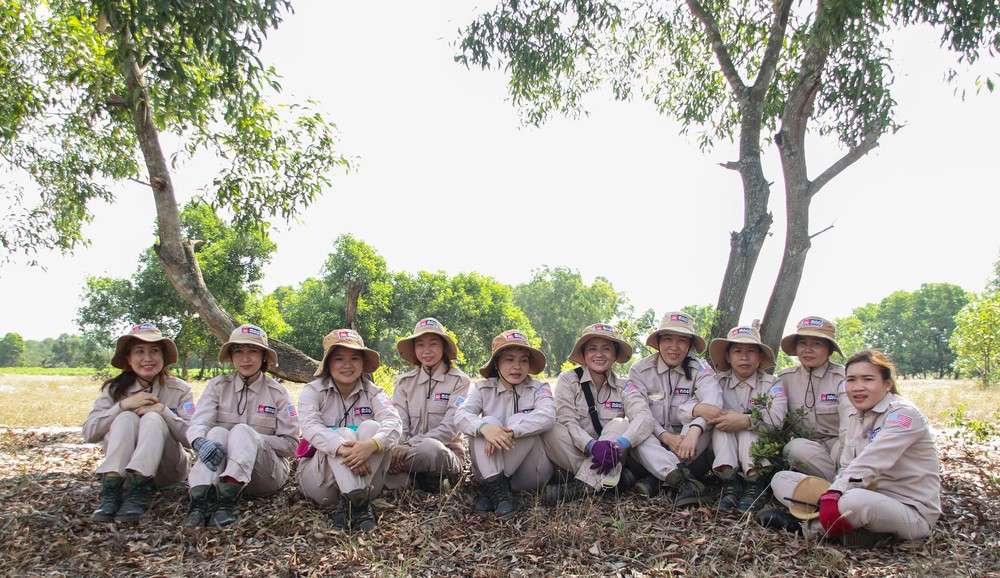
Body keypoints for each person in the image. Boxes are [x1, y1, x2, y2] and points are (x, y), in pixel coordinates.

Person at [759, 349, 941, 546]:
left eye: (868, 379)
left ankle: (806, 529)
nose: (857, 387)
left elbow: (871, 461)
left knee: (851, 501)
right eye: (851, 380)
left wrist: (835, 494)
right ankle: (858, 531)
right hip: (862, 492)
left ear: (887, 384)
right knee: (782, 479)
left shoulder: (903, 415)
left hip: (907, 508)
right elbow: (847, 465)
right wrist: (834, 491)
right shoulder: (857, 414)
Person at [182, 324, 298, 529]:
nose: (245, 358)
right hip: (220, 468)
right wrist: (199, 442)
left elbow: (291, 445)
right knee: (216, 432)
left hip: (265, 474)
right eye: (239, 352)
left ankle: (227, 502)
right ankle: (200, 501)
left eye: (253, 351)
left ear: (263, 356)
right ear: (231, 356)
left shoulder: (278, 393)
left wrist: (253, 440)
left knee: (242, 431)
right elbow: (199, 421)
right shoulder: (217, 386)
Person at [83, 324, 194, 523]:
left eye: (154, 351)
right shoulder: (114, 390)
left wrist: (163, 411)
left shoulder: (180, 390)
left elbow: (191, 438)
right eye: (139, 352)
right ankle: (111, 490)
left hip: (168, 470)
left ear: (163, 356)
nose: (148, 358)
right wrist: (123, 406)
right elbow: (89, 433)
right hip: (124, 472)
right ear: (128, 358)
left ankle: (138, 491)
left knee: (153, 418)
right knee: (126, 418)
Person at [296, 329, 402, 533]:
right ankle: (360, 506)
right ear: (328, 363)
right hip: (322, 485)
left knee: (373, 427)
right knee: (342, 435)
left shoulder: (374, 392)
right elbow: (310, 426)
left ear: (362, 363)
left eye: (354, 358)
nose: (347, 365)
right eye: (339, 359)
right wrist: (343, 449)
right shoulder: (312, 391)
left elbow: (394, 421)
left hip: (368, 481)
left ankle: (351, 502)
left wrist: (372, 445)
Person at [543, 323, 653, 504]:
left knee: (621, 424)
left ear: (616, 354)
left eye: (606, 349)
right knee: (551, 427)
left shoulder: (625, 386)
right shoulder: (568, 379)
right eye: (592, 349)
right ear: (584, 354)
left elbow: (644, 416)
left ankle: (582, 485)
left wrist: (621, 444)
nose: (599, 355)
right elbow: (567, 420)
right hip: (574, 451)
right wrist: (592, 446)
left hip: (613, 453)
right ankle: (608, 478)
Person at [454, 330, 555, 518]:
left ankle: (492, 489)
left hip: (529, 472)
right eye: (510, 359)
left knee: (519, 421)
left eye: (524, 360)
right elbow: (461, 414)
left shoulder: (539, 388)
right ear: (497, 363)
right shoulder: (482, 389)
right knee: (487, 422)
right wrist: (486, 430)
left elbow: (548, 416)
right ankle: (498, 491)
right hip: (488, 467)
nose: (517, 367)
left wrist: (511, 432)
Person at [627, 311, 723, 506]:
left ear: (690, 345)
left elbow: (713, 403)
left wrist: (694, 432)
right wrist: (665, 436)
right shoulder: (640, 370)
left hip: (689, 444)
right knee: (638, 434)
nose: (674, 347)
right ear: (659, 342)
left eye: (682, 340)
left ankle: (658, 479)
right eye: (668, 339)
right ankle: (683, 482)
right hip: (655, 441)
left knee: (705, 424)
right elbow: (640, 412)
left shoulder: (700, 369)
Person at [706, 323, 788, 513]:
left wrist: (746, 421)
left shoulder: (772, 384)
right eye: (737, 351)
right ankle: (730, 484)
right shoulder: (716, 382)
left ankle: (754, 486)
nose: (744, 357)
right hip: (721, 448)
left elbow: (777, 419)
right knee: (721, 425)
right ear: (728, 356)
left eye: (751, 351)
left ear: (760, 357)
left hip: (759, 450)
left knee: (747, 428)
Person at [385, 318, 470, 494]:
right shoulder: (404, 382)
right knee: (379, 451)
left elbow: (450, 428)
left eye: (433, 344)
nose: (427, 351)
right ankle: (417, 476)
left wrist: (409, 445)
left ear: (444, 348)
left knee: (430, 448)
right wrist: (397, 449)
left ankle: (416, 473)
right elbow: (399, 422)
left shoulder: (459, 381)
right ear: (414, 349)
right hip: (407, 452)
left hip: (443, 452)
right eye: (420, 345)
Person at [776, 316, 849, 481]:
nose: (808, 349)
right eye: (802, 343)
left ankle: (834, 486)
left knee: (849, 447)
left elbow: (849, 424)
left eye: (816, 343)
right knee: (794, 448)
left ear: (829, 349)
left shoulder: (844, 377)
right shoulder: (784, 378)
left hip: (839, 443)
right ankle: (839, 485)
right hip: (809, 450)